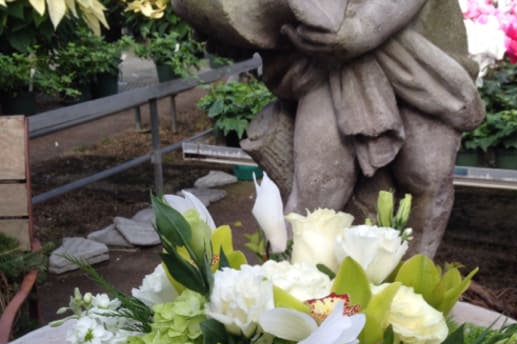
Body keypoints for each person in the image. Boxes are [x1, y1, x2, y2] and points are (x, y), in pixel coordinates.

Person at [172, 0, 485, 256]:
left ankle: (410, 287)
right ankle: (291, 290)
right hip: (321, 63)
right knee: (318, 192)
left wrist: (362, 28)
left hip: (418, 61)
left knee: (425, 177)